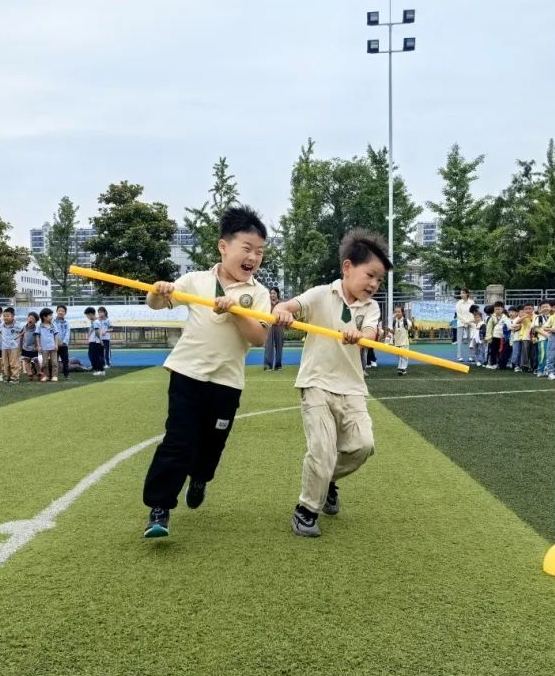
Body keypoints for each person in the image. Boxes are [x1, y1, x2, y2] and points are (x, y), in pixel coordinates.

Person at [140, 205, 271, 538]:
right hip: (186, 374)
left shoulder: (256, 293)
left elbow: (258, 337)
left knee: (212, 445)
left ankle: (199, 479)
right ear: (224, 247)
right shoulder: (196, 281)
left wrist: (236, 312)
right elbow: (157, 304)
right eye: (247, 248)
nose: (253, 257)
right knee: (178, 441)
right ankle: (160, 509)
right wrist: (158, 291)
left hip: (226, 383)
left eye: (259, 252)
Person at [273, 229, 385, 538]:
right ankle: (306, 509)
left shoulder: (371, 307)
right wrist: (281, 312)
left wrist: (360, 336)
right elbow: (287, 307)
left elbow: (372, 336)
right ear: (348, 268)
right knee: (321, 450)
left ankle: (327, 481)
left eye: (379, 280)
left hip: (352, 387)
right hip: (317, 383)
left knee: (363, 446)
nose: (374, 284)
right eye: (370, 275)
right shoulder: (321, 294)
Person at [0, 307, 24, 384]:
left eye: (8, 316)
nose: (5, 318)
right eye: (4, 316)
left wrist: (16, 338)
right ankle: (6, 377)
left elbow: (23, 331)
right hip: (4, 347)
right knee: (4, 363)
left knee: (14, 363)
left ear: (13, 316)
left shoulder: (17, 325)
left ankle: (14, 378)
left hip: (14, 347)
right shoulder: (1, 325)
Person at [263, 286, 285, 370]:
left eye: (274, 293)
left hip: (279, 326)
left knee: (279, 345)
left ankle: (278, 365)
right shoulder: (266, 303)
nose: (272, 295)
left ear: (277, 294)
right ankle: (267, 365)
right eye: (271, 293)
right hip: (269, 326)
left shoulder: (281, 304)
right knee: (268, 345)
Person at [36, 307, 59, 382]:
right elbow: (37, 336)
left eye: (52, 315)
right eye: (50, 315)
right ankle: (46, 376)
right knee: (45, 363)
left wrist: (56, 344)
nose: (51, 317)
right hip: (44, 347)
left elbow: (55, 335)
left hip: (53, 347)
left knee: (54, 362)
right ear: (44, 316)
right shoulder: (39, 326)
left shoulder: (53, 325)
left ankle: (54, 376)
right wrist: (39, 346)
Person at [83, 307, 106, 377]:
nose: (87, 317)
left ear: (90, 314)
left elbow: (97, 332)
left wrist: (100, 340)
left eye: (87, 315)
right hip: (94, 341)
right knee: (94, 356)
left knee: (93, 356)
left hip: (95, 342)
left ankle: (100, 370)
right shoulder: (95, 321)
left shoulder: (96, 322)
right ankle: (100, 370)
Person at [455, 288, 475, 361]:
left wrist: (469, 321)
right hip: (461, 323)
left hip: (470, 322)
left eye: (463, 293)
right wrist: (465, 321)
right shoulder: (458, 303)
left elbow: (473, 312)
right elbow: (458, 314)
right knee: (459, 340)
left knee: (471, 339)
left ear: (467, 294)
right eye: (461, 293)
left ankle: (471, 356)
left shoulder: (472, 302)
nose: (461, 294)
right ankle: (459, 356)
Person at [391, 306, 412, 376]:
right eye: (396, 312)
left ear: (402, 313)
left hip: (404, 342)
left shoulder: (406, 321)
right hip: (397, 342)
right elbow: (393, 332)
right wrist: (391, 331)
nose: (397, 313)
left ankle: (403, 368)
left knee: (404, 355)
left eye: (399, 312)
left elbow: (409, 328)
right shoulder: (394, 322)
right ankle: (400, 368)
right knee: (399, 356)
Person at [20, 311, 40, 381]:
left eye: (33, 319)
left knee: (35, 359)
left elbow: (37, 338)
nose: (30, 319)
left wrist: (37, 345)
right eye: (29, 318)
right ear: (27, 318)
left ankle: (39, 373)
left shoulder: (37, 328)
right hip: (25, 347)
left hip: (33, 347)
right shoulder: (24, 327)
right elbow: (21, 337)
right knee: (27, 360)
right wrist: (20, 346)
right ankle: (29, 374)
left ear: (35, 321)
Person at [534, 302, 552, 377]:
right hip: (542, 339)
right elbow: (536, 328)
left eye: (547, 306)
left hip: (553, 339)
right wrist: (546, 335)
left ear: (550, 307)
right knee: (542, 355)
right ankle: (540, 370)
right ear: (540, 309)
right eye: (543, 307)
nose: (545, 308)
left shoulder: (553, 317)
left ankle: (549, 370)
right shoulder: (539, 317)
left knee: (551, 355)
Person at [52, 305, 70, 379]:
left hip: (64, 345)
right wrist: (56, 342)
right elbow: (51, 333)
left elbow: (67, 333)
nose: (61, 312)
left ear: (65, 313)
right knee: (54, 361)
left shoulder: (66, 323)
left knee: (65, 361)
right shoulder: (52, 322)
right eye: (59, 310)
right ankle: (54, 375)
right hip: (54, 345)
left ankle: (66, 375)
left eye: (62, 311)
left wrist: (63, 342)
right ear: (56, 311)